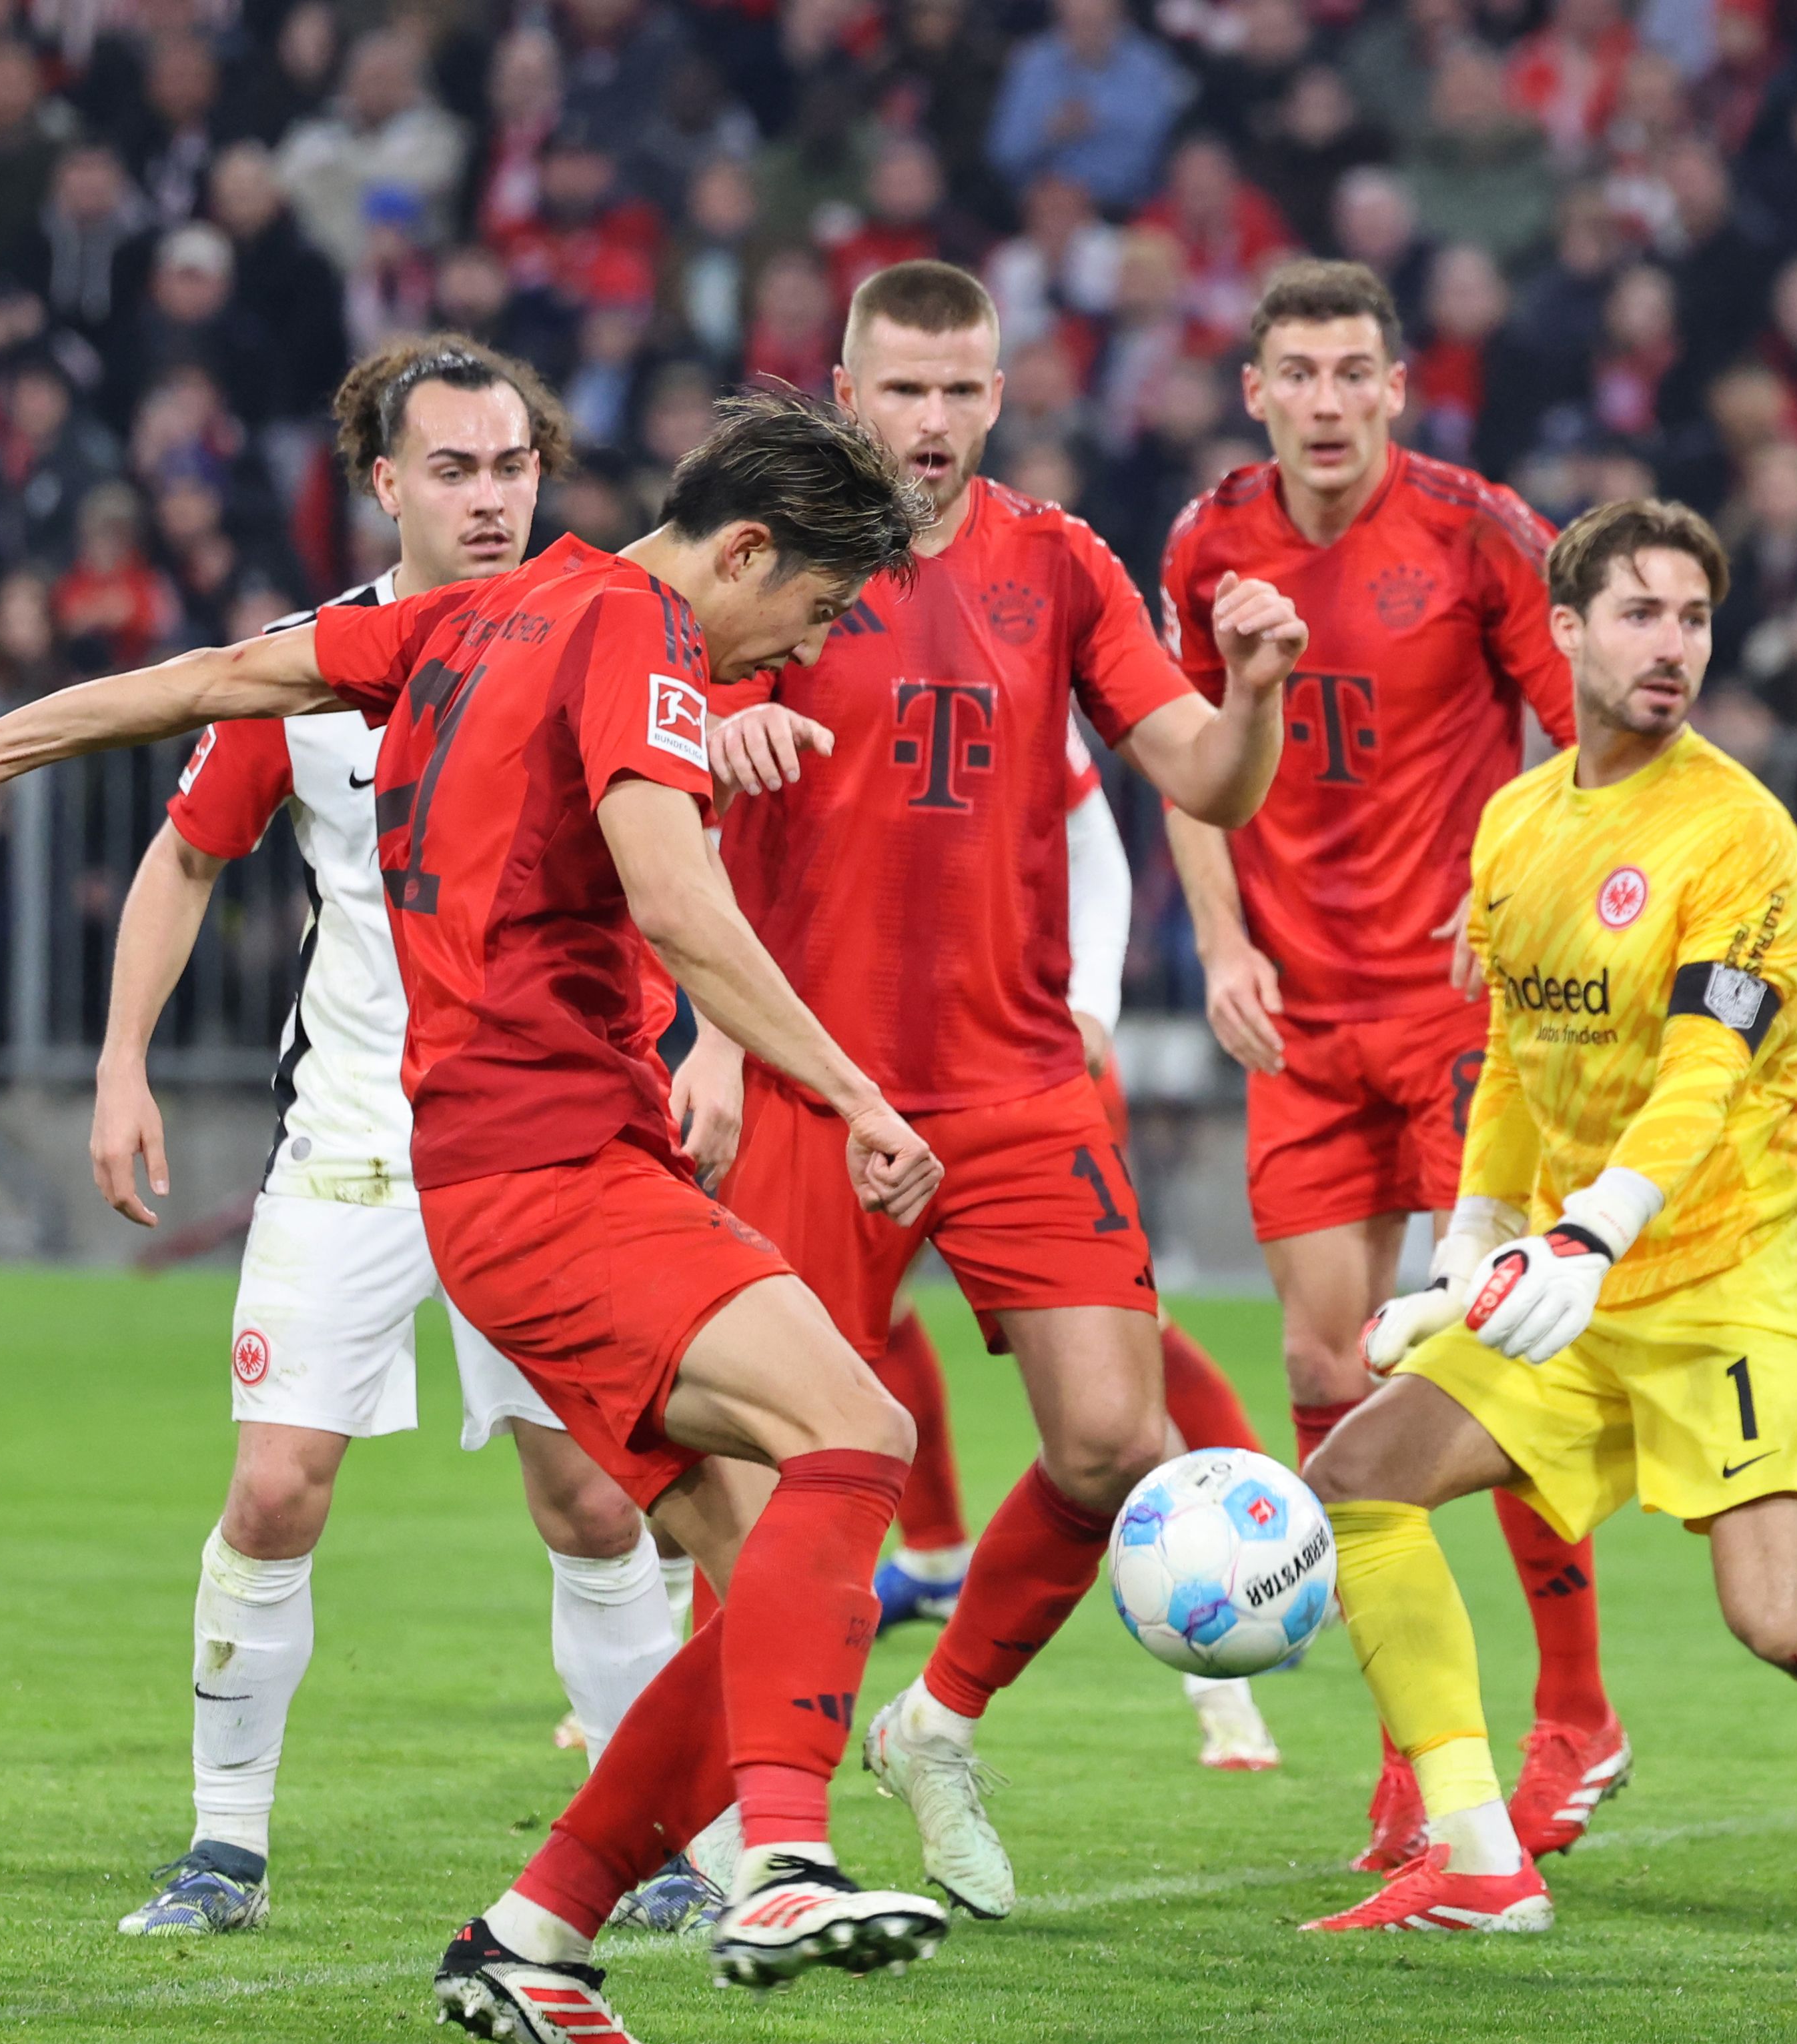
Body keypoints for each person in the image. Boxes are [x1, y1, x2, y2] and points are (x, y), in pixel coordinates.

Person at [0, 392, 964, 2044]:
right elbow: (675, 898)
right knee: (860, 1428)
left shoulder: (469, 612)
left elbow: (211, 679)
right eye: (806, 612)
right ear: (743, 550)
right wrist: (861, 1095)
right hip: (555, 1168)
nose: (795, 647)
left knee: (763, 1563)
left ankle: (532, 1939)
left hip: (502, 1164)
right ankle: (784, 1864)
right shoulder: (638, 630)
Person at [669, 261, 1306, 1922]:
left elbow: (1199, 781)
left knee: (1110, 1438)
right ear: (845, 387)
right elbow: (645, 793)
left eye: (963, 391)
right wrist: (717, 1024)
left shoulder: (1059, 563)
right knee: (779, 1465)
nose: (934, 425)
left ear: (1000, 393)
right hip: (822, 1079)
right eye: (906, 390)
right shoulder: (765, 565)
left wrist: (1253, 693)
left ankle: (932, 1722)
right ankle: (754, 1816)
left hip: (1021, 1081)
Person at [1296, 499, 1797, 1937]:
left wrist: (1588, 1231)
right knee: (1357, 1482)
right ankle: (1482, 1856)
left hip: (1740, 1260)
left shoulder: (1741, 833)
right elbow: (1510, 1056)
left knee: (1788, 1624)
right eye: (1639, 613)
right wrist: (1467, 1245)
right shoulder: (1516, 820)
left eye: (1692, 617)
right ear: (1565, 631)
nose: (1671, 644)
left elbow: (1710, 1062)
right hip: (1576, 1270)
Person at [89, 336, 682, 1939]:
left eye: (511, 469)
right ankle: (222, 1848)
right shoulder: (309, 662)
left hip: (557, 1135)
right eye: (452, 470)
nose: (487, 500)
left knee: (597, 1500)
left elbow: (691, 861)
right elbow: (188, 855)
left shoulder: (608, 637)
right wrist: (122, 1058)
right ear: (385, 482)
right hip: (358, 1134)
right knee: (276, 1487)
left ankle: (652, 1846)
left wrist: (720, 1060)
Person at [1162, 260, 1642, 1877]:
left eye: (1349, 369)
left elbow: (1586, 747)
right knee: (1326, 1366)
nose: (1320, 397)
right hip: (1295, 1019)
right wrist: (1222, 946)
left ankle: (1573, 1713)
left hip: (1458, 1019)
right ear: (1255, 390)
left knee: (1480, 1353)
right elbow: (1180, 756)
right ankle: (1411, 1749)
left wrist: (1506, 904)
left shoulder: (1474, 529)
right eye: (1291, 368)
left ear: (1392, 387)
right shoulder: (1206, 541)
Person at [864, 714, 1290, 1781]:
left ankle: (1245, 1567)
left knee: (1121, 1362)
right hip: (857, 1061)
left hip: (1019, 1068)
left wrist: (1090, 1004)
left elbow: (1092, 824)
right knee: (841, 1332)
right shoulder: (817, 622)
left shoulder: (1004, 627)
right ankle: (932, 1554)